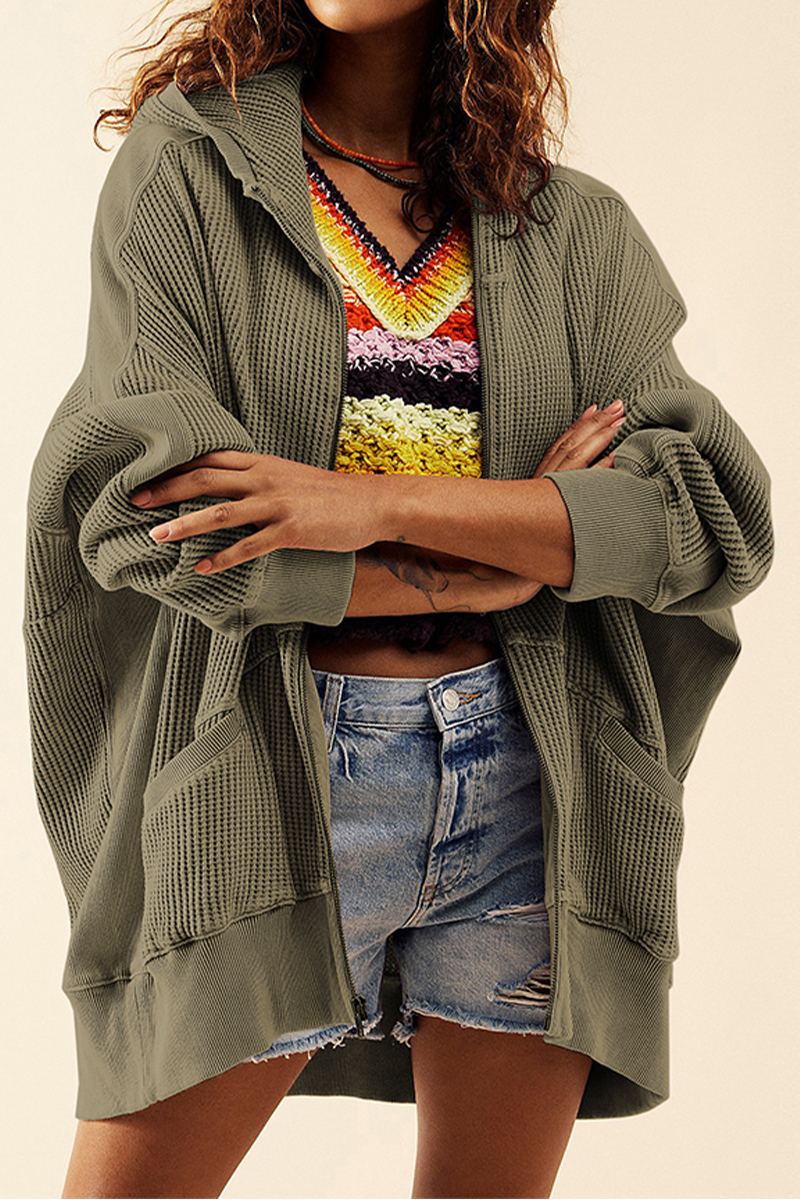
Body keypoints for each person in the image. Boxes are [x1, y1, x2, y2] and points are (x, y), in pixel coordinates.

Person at [23, 1, 774, 1197]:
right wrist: (517, 545)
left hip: (528, 796)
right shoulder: (191, 170)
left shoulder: (571, 230)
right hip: (272, 784)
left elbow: (708, 514)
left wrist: (368, 504)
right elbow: (157, 515)